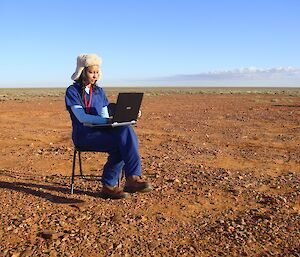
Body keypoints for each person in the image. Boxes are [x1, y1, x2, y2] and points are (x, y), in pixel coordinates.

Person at [65, 54, 152, 199]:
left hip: (101, 133)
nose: (95, 76)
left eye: (97, 72)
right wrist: (107, 121)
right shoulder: (72, 91)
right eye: (91, 72)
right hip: (84, 135)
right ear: (82, 72)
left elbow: (104, 116)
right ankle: (112, 184)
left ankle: (129, 179)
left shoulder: (99, 91)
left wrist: (126, 116)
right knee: (122, 143)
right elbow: (82, 117)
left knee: (125, 130)